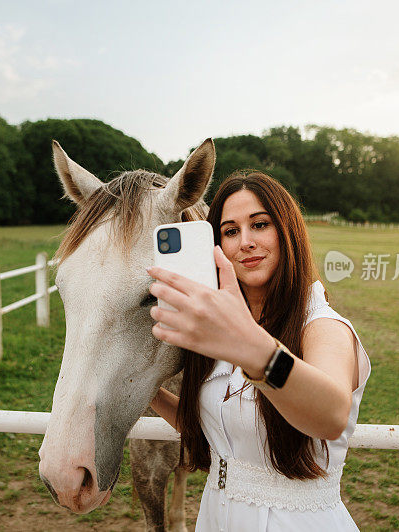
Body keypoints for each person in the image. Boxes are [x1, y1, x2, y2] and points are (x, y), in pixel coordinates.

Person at [147, 171, 371, 531]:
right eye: (230, 231)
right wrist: (148, 390)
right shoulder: (223, 329)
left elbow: (331, 415)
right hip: (216, 516)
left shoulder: (323, 326)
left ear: (288, 232)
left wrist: (254, 351)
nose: (245, 242)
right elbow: (214, 430)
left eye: (260, 224)